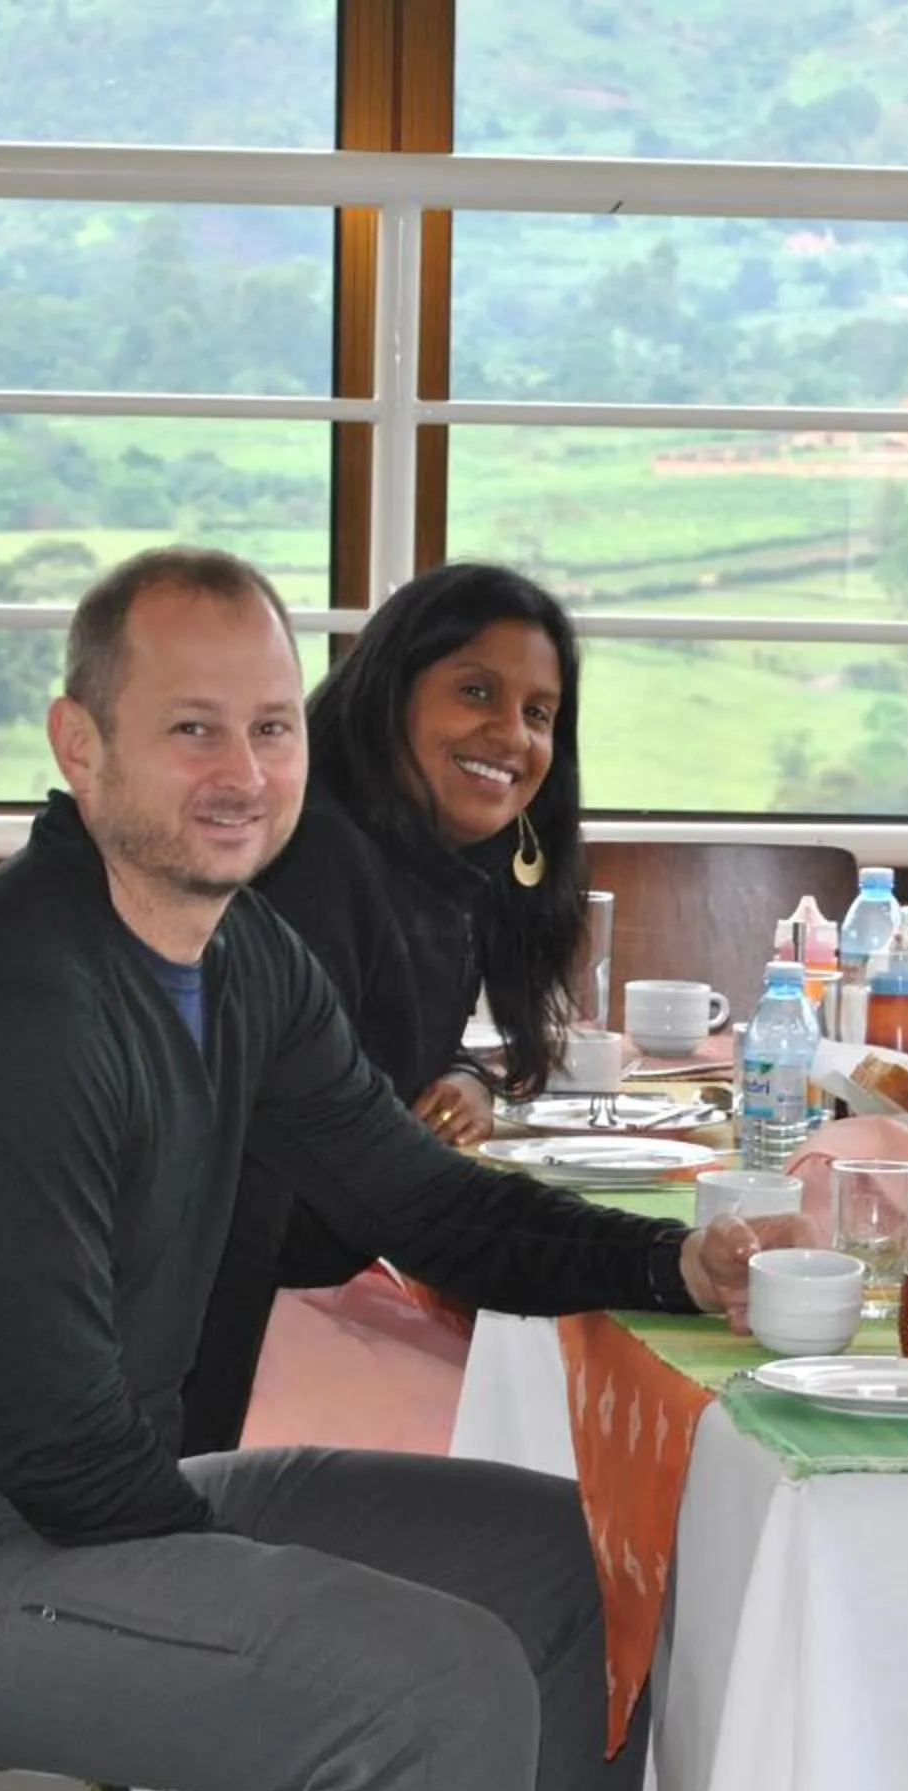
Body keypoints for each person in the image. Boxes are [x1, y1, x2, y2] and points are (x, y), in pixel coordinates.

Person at [0, 546, 784, 1791]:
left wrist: (679, 1262)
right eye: (191, 728)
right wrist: (276, 1607)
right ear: (77, 746)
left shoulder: (238, 960)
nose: (243, 772)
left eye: (272, 727)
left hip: (55, 1512)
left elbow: (437, 1209)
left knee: (568, 1572)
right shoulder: (13, 1008)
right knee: (426, 1682)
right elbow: (59, 1444)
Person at [180, 563, 589, 1459]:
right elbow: (345, 1171)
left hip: (319, 1281)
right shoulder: (318, 861)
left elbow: (376, 1060)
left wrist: (465, 1074)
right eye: (475, 691)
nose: (511, 735)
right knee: (553, 1441)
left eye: (539, 713)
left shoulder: (427, 865)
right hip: (237, 1332)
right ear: (392, 690)